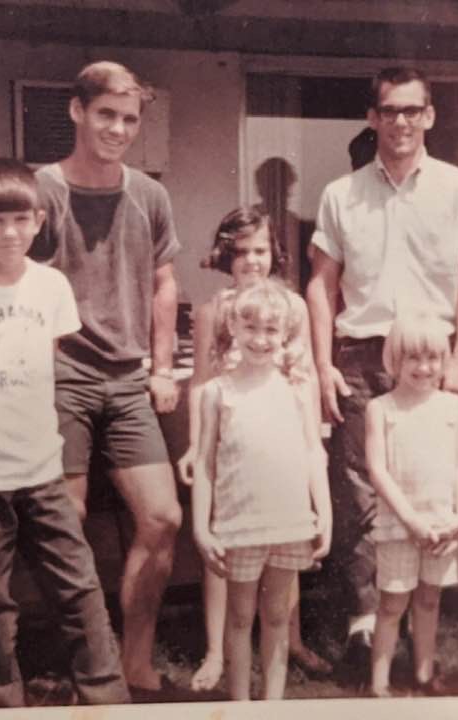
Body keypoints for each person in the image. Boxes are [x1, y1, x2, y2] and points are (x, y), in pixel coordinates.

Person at [0, 158, 129, 707]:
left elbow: (46, 361)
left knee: (80, 590)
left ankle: (107, 699)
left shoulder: (51, 286)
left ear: (39, 220)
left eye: (21, 220)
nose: (10, 233)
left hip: (41, 469)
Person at [306, 66, 458, 674]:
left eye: (413, 110)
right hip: (360, 353)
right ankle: (366, 621)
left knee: (430, 480)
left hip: (431, 357)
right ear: (373, 117)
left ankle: (422, 618)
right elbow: (320, 284)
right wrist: (322, 364)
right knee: (360, 486)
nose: (401, 122)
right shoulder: (342, 194)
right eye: (390, 111)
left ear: (429, 116)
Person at [29, 61, 182, 697]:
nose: (118, 129)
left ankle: (136, 660)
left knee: (163, 517)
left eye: (129, 119)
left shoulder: (148, 194)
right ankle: (87, 666)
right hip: (59, 375)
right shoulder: (42, 189)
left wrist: (163, 364)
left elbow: (163, 282)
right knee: (67, 521)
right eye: (106, 116)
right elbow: (13, 279)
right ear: (77, 112)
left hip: (126, 382)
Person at [176, 207, 332, 691]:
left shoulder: (291, 307)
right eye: (241, 251)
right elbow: (203, 382)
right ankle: (216, 651)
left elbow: (301, 370)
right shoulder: (214, 310)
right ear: (227, 255)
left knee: (282, 549)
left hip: (281, 429)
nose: (251, 261)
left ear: (274, 253)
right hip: (228, 427)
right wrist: (193, 442)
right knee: (230, 546)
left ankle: (293, 641)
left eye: (260, 250)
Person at [364, 312, 458, 698]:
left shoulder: (453, 408)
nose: (424, 368)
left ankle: (424, 675)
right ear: (395, 359)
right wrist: (410, 520)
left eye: (432, 359)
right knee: (393, 604)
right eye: (413, 358)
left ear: (443, 362)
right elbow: (378, 470)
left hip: (441, 524)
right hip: (399, 524)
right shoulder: (382, 409)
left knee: (429, 599)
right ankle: (380, 684)